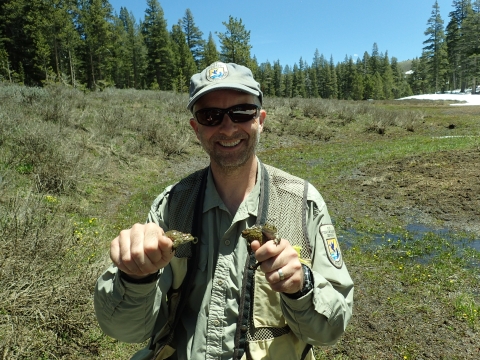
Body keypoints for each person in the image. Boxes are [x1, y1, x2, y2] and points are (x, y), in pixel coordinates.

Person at [94, 62, 354, 360]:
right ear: (196, 128)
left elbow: (331, 331)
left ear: (261, 120)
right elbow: (126, 331)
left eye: (242, 112)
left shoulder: (303, 203)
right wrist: (135, 277)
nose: (228, 127)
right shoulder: (170, 206)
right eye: (211, 115)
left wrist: (302, 287)